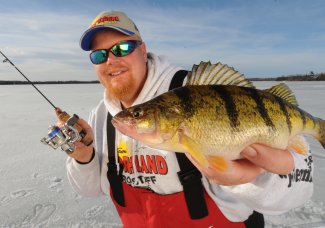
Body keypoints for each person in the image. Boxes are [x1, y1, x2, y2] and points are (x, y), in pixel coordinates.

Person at [64, 10, 314, 227]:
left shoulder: (188, 88)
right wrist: (84, 159)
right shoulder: (102, 116)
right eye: (99, 55)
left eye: (122, 48)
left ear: (143, 50)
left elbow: (302, 183)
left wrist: (252, 179)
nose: (111, 60)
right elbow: (90, 190)